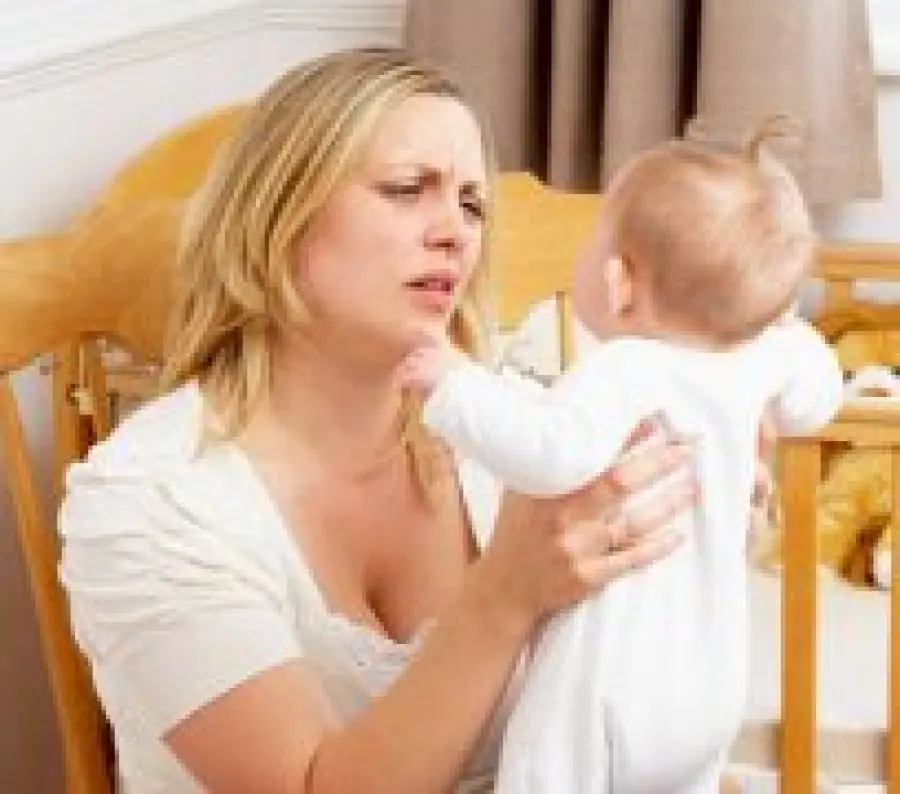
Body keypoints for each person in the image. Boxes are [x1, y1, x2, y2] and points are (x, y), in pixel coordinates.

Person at [57, 47, 702, 794]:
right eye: (405, 189)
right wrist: (504, 592)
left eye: (472, 205)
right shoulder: (150, 501)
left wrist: (691, 503)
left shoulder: (509, 436)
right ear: (278, 217)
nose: (456, 232)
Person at [398, 122, 844, 793]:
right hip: (710, 685)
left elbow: (550, 452)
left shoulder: (627, 367)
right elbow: (816, 400)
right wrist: (781, 326)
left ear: (618, 282)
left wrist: (453, 383)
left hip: (615, 682)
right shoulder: (763, 358)